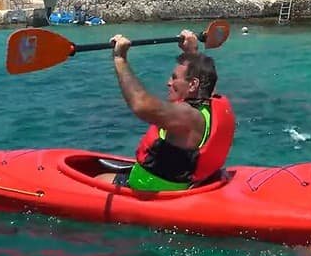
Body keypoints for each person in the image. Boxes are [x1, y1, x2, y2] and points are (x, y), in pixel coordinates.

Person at [94, 30, 236, 191]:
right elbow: (204, 81)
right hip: (181, 183)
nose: (168, 83)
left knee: (97, 180)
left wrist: (120, 58)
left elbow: (140, 104)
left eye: (174, 77)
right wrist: (191, 52)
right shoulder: (206, 106)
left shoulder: (186, 116)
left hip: (149, 189)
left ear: (192, 85)